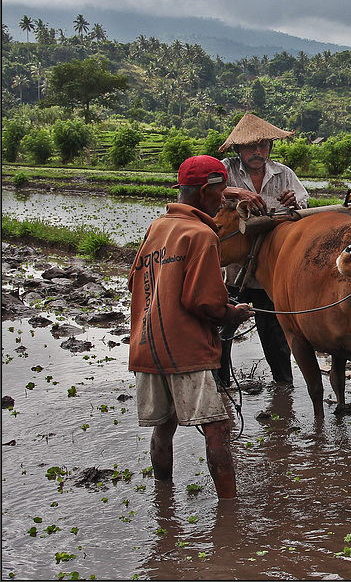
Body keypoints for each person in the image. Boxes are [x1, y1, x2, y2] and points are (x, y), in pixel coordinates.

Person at [128, 155, 253, 499]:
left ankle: (163, 499)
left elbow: (134, 281)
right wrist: (231, 313)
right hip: (185, 349)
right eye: (220, 192)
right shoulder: (201, 234)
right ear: (203, 191)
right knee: (218, 428)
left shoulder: (158, 226)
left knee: (163, 428)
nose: (223, 199)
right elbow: (204, 302)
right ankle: (229, 514)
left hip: (146, 344)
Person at [216, 113, 309, 386]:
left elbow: (302, 205)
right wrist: (238, 194)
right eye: (250, 146)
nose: (258, 152)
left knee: (276, 333)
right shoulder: (225, 170)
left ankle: (284, 386)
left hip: (270, 267)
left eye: (264, 145)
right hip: (233, 266)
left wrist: (293, 202)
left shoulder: (283, 174)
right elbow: (207, 190)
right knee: (224, 326)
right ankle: (221, 385)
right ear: (238, 148)